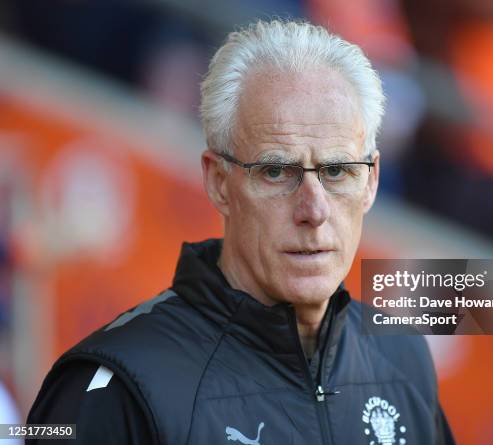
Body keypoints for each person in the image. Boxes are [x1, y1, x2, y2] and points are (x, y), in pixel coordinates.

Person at [27, 20, 455, 444]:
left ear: (372, 181)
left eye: (338, 170)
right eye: (275, 171)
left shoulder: (403, 356)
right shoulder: (115, 388)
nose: (314, 209)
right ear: (218, 182)